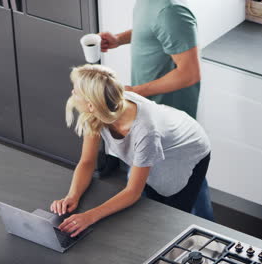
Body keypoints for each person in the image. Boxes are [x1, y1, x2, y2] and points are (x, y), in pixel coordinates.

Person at [50, 64, 211, 237]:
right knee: (153, 203)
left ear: (91, 105)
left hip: (187, 147)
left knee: (172, 220)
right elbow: (87, 161)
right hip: (162, 138)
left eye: (76, 91)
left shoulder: (145, 131)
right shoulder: (105, 105)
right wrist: (72, 196)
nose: (72, 93)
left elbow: (133, 192)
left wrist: (89, 217)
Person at [97, 0, 214, 220]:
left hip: (167, 118)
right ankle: (208, 234)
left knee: (167, 186)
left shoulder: (171, 12)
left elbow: (189, 73)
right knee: (190, 177)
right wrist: (118, 39)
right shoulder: (148, 4)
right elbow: (149, 30)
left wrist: (136, 91)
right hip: (148, 111)